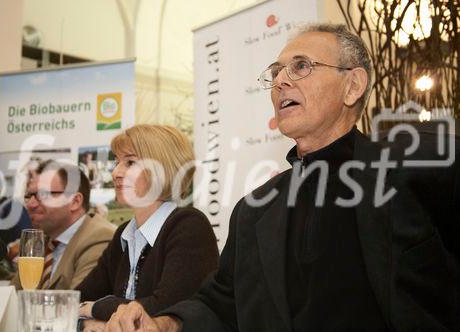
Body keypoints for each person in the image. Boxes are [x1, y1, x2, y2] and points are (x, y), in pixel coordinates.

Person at [105, 24, 460, 331]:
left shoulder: (417, 165)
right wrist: (166, 324)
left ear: (352, 86)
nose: (280, 81)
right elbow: (220, 305)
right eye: (275, 73)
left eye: (301, 66)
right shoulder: (254, 211)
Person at [75, 124, 219, 331]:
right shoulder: (124, 234)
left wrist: (95, 308)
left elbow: (164, 308)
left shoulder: (189, 226)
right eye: (117, 162)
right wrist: (90, 320)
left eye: (130, 162)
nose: (116, 172)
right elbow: (76, 299)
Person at [13, 159, 116, 289]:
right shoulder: (38, 242)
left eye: (42, 194)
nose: (30, 204)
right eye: (29, 196)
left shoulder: (99, 237)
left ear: (75, 201)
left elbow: (78, 302)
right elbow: (15, 296)